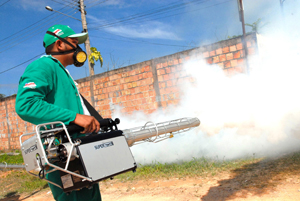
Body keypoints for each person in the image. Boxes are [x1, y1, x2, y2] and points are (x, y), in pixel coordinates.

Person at [15, 24, 101, 201]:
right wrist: (75, 117)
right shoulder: (44, 66)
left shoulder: (62, 72)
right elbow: (26, 105)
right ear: (60, 45)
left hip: (77, 151)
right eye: (73, 42)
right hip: (63, 155)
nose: (78, 48)